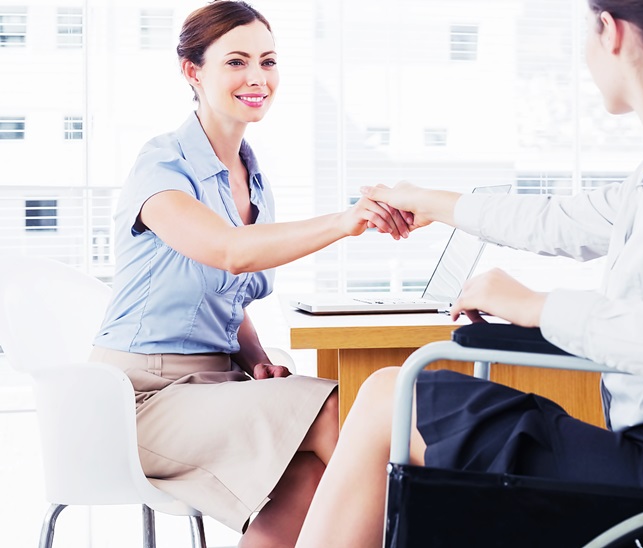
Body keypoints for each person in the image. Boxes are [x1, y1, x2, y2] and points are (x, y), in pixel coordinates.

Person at [295, 0, 643, 546]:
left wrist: (537, 307)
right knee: (391, 395)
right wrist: (428, 202)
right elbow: (559, 220)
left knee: (392, 396)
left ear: (611, 32)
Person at [89, 2, 406, 546]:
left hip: (215, 386)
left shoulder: (254, 181)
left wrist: (258, 363)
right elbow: (228, 252)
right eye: (236, 62)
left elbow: (230, 305)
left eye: (268, 61)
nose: (257, 78)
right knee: (339, 415)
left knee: (307, 481)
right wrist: (345, 221)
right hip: (138, 399)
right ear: (193, 71)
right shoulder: (161, 167)